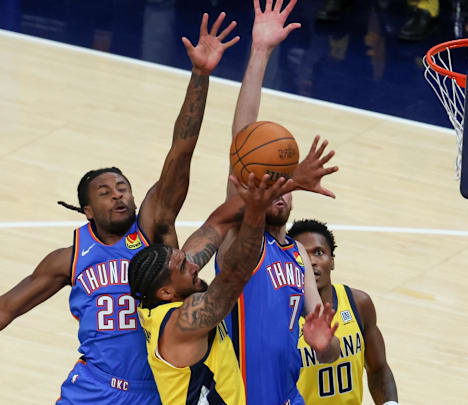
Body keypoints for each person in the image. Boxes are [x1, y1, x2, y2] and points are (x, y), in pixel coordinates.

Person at [0, 12, 240, 403]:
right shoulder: (70, 258)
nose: (118, 195)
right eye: (105, 191)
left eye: (123, 187)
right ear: (87, 210)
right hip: (93, 389)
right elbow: (3, 310)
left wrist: (200, 75)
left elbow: (181, 152)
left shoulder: (153, 231)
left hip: (160, 391)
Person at [129, 168, 339, 405]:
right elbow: (233, 275)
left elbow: (217, 222)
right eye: (183, 266)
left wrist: (324, 346)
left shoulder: (171, 298)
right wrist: (267, 199)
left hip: (288, 397)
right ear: (166, 292)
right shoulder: (184, 321)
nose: (195, 265)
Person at [219, 1, 342, 403]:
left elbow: (328, 355)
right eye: (270, 183)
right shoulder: (240, 236)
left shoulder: (298, 257)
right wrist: (260, 53)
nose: (280, 191)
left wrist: (324, 344)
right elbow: (244, 134)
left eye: (286, 185)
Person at [289, 219, 398, 405]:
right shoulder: (282, 315)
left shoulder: (359, 303)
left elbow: (378, 369)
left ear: (331, 261)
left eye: (319, 252)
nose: (312, 261)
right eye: (303, 256)